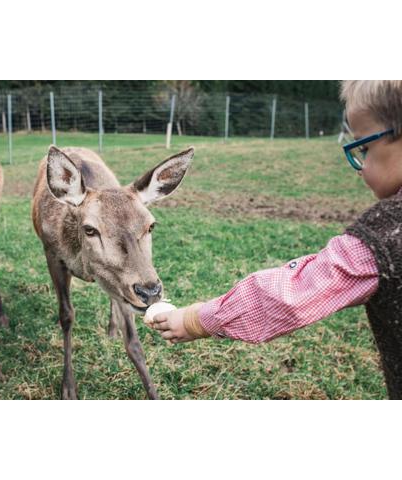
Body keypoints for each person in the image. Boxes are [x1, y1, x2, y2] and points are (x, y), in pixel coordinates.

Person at [147, 80, 402, 398]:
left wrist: (195, 319)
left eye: (364, 148)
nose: (360, 167)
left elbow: (288, 295)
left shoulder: (384, 240)